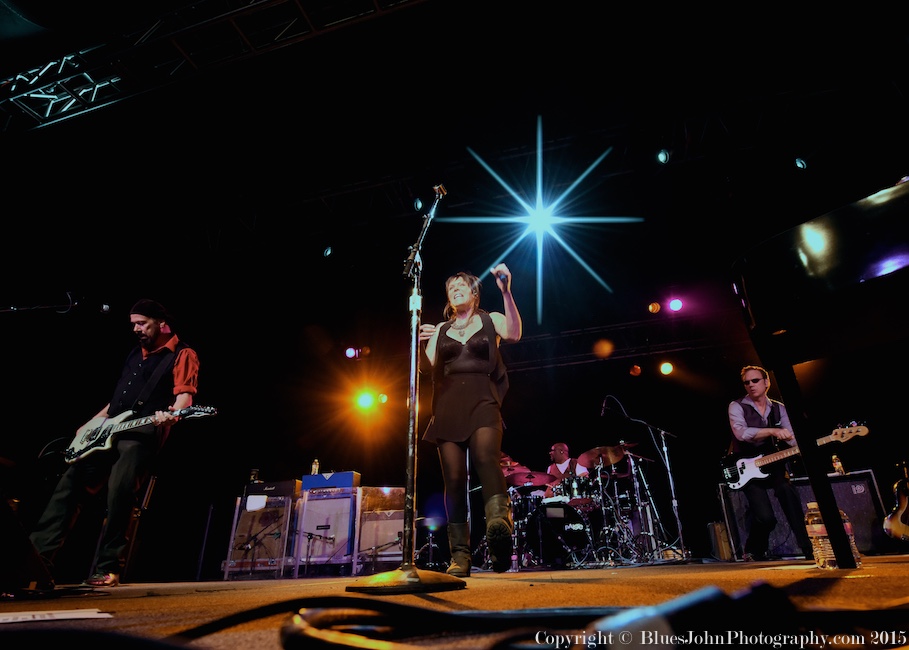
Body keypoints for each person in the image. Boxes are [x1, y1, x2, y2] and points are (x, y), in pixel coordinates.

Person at [28, 299, 200, 588]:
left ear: (161, 322)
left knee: (119, 492)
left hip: (141, 432)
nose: (136, 328)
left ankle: (108, 567)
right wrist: (90, 423)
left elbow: (184, 396)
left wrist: (173, 415)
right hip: (107, 431)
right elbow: (118, 402)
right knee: (68, 488)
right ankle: (35, 564)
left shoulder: (182, 353)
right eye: (133, 324)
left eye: (141, 323)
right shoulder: (135, 354)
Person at [420, 264, 522, 577]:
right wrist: (415, 340)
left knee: (485, 459)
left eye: (462, 286)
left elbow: (515, 333)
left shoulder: (492, 319)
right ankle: (459, 557)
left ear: (474, 293)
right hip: (448, 406)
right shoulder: (440, 329)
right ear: (449, 299)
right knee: (453, 480)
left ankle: (498, 534)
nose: (456, 290)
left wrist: (506, 292)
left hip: (483, 400)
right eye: (452, 288)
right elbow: (426, 369)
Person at [727, 364, 812, 561]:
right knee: (766, 518)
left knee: (787, 492)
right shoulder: (737, 405)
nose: (750, 385)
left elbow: (792, 438)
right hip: (747, 467)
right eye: (746, 382)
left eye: (755, 381)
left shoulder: (779, 408)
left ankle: (808, 548)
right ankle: (754, 549)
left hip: (773, 463)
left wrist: (801, 443)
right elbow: (741, 433)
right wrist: (772, 431)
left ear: (766, 382)